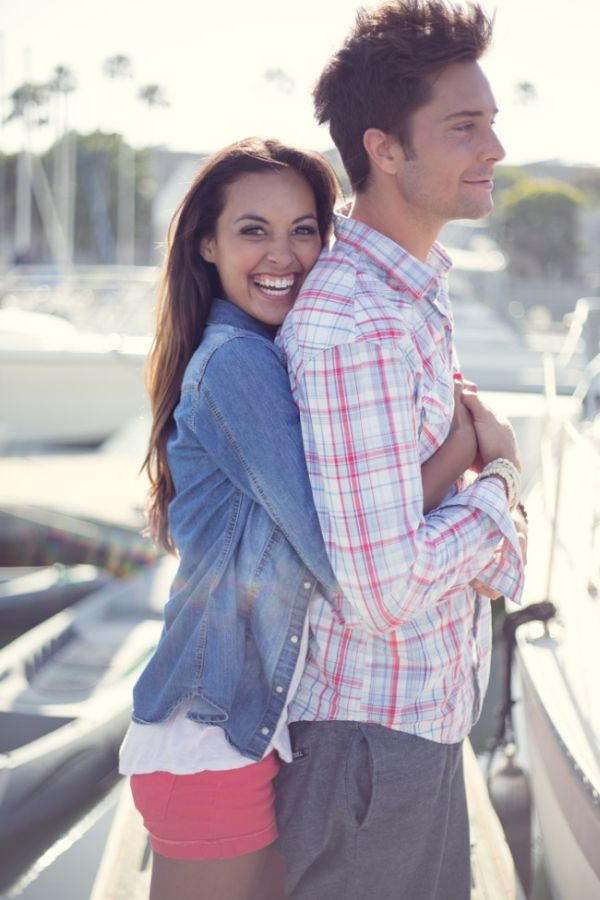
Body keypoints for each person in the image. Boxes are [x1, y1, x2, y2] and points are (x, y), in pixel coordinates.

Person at [119, 135, 502, 900]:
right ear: (206, 244)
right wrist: (473, 451)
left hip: (247, 728)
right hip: (208, 734)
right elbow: (338, 547)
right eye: (252, 230)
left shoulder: (268, 352)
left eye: (303, 229)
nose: (283, 254)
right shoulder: (237, 363)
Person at [274, 3, 528, 899]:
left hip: (402, 735)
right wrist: (501, 485)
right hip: (368, 755)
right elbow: (382, 589)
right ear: (384, 149)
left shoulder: (406, 293)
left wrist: (478, 496)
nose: (494, 148)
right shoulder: (359, 326)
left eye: (490, 122)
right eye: (464, 127)